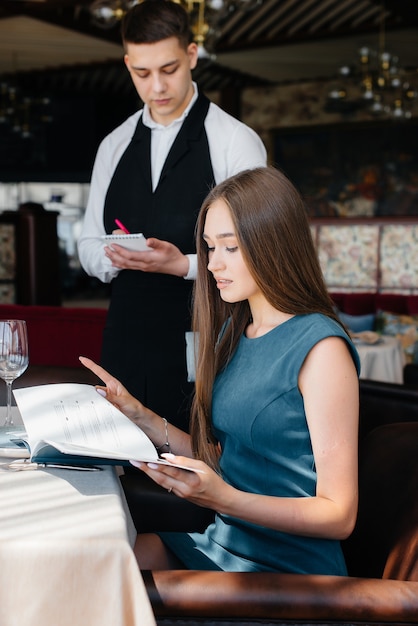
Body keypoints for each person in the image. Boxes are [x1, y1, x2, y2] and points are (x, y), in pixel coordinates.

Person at [80, 166, 360, 575]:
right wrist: (140, 417)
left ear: (273, 243)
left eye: (230, 247)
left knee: (101, 577)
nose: (212, 264)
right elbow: (225, 461)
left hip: (287, 572)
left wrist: (221, 499)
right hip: (222, 546)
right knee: (88, 564)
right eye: (210, 247)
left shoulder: (321, 348)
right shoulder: (235, 329)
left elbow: (340, 515)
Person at [77, 0, 267, 432]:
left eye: (170, 68)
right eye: (142, 74)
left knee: (196, 460)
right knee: (123, 466)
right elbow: (87, 244)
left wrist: (180, 264)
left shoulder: (234, 140)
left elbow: (260, 253)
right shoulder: (113, 144)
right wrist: (119, 256)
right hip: (125, 337)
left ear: (192, 56)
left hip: (206, 338)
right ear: (128, 64)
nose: (157, 86)